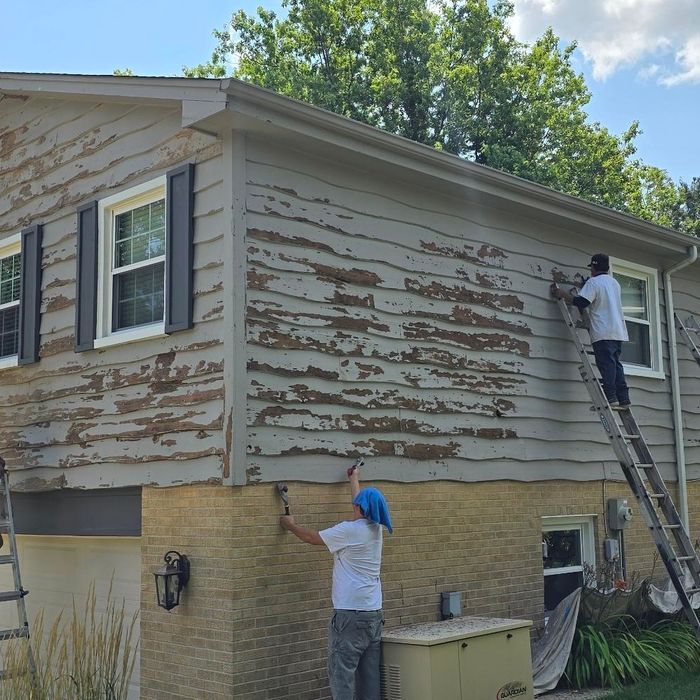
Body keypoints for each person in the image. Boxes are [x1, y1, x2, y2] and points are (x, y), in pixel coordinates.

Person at [280, 465, 392, 700]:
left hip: (349, 616)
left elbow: (312, 538)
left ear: (361, 508)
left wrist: (290, 525)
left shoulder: (349, 531)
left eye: (357, 504)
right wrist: (354, 480)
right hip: (373, 614)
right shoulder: (376, 529)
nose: (354, 506)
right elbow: (359, 507)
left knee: (342, 674)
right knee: (369, 677)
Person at [552, 252, 631, 408]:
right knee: (616, 365)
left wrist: (563, 294)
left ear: (594, 267)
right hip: (618, 331)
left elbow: (582, 302)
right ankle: (624, 398)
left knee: (606, 365)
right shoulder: (614, 283)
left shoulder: (593, 283)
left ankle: (611, 397)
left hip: (603, 332)